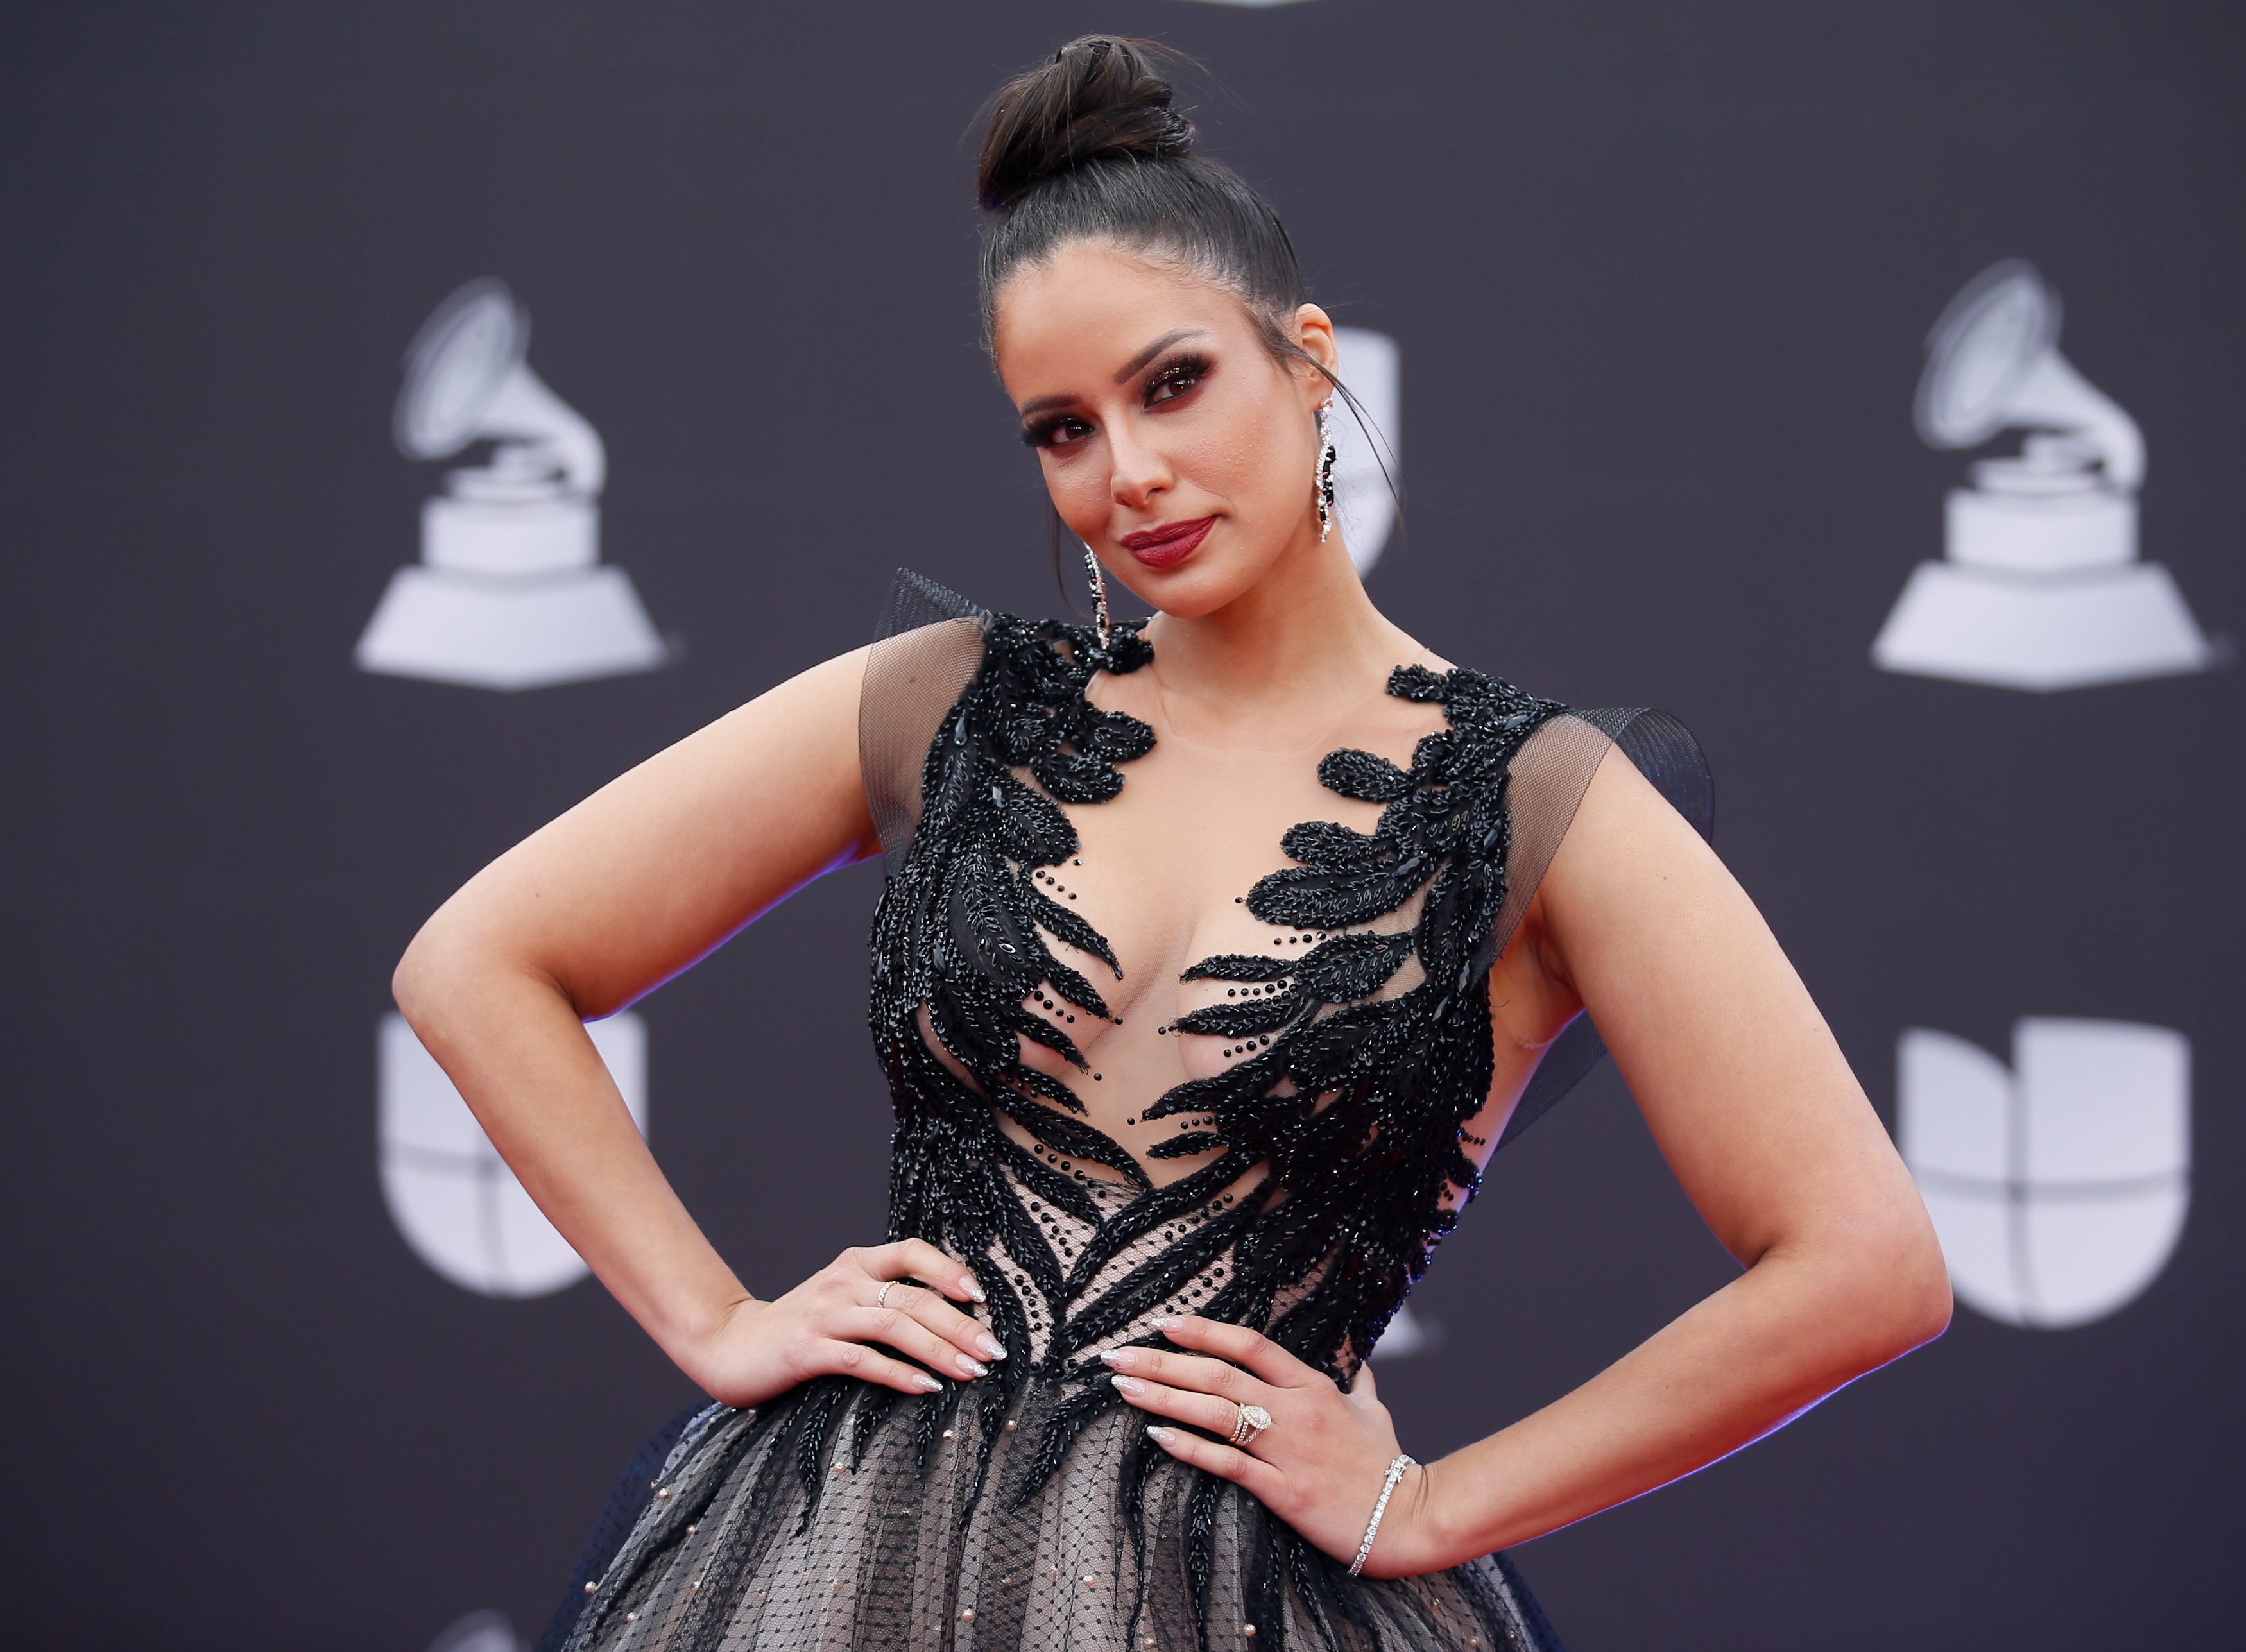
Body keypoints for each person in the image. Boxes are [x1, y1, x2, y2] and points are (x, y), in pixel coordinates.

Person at [393, 36, 1951, 1652]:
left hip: (1245, 1601)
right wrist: (714, 1317)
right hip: (837, 1564)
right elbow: (475, 962)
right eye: (1061, 429)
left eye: (1172, 383)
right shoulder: (950, 701)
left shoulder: (1535, 800)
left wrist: (1432, 1502)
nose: (1128, 474)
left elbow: (1866, 1266)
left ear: (1308, 360)